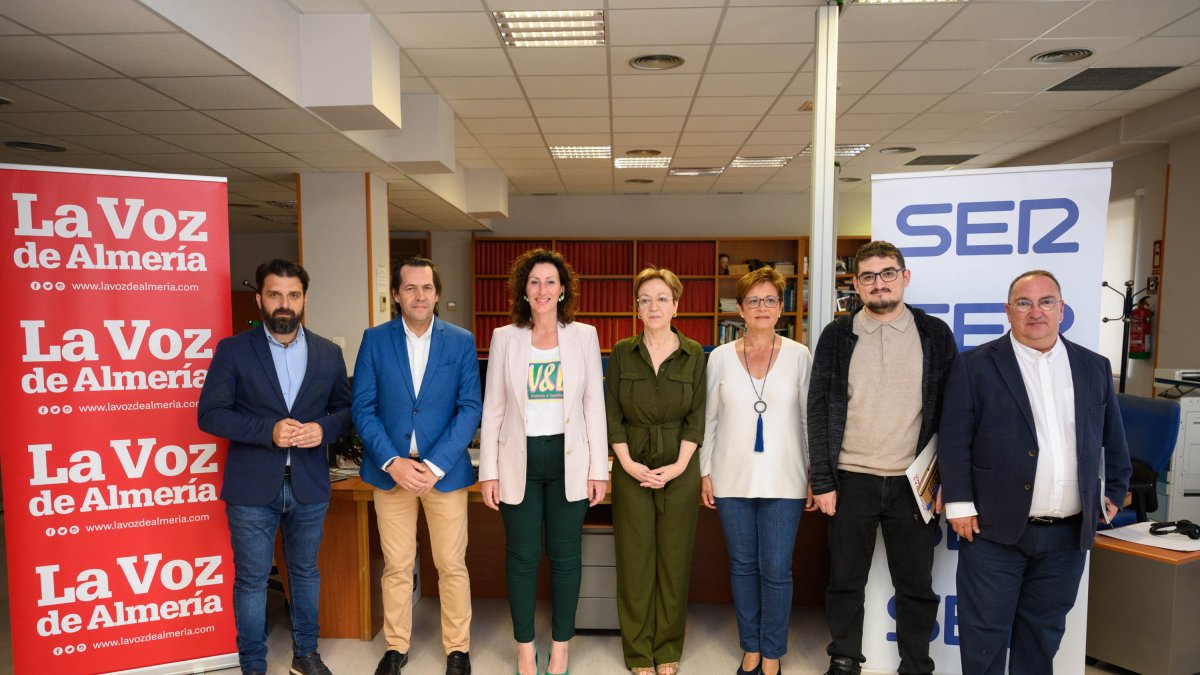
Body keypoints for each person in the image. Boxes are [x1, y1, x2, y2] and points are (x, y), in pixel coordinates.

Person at [939, 270, 1131, 675]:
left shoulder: (1093, 366)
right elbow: (954, 439)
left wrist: (1112, 492)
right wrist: (958, 503)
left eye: (1046, 302)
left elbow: (1112, 439)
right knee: (984, 636)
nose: (1036, 312)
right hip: (993, 530)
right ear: (1008, 311)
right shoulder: (974, 365)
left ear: (1062, 309)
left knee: (1042, 636)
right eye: (1024, 303)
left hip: (1067, 533)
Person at [807, 240, 956, 675]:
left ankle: (916, 665)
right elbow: (818, 408)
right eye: (868, 276)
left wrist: (948, 479)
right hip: (851, 477)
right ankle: (844, 658)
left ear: (905, 277)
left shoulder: (935, 335)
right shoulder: (837, 335)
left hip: (915, 482)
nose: (879, 283)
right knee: (844, 580)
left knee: (916, 585)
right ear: (856, 284)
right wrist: (823, 480)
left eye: (888, 273)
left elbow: (953, 412)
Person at [198, 259, 352, 675]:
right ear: (260, 299)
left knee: (305, 573)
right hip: (252, 486)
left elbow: (345, 411)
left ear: (304, 299)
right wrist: (268, 431)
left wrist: (323, 429)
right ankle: (253, 665)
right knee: (251, 579)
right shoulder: (233, 350)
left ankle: (305, 655)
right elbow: (210, 415)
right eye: (275, 294)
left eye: (293, 295)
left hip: (308, 483)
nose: (284, 303)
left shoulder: (328, 353)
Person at [478, 248, 609, 675]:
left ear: (563, 289)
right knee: (522, 557)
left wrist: (598, 470)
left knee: (566, 556)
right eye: (534, 282)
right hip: (519, 460)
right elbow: (494, 409)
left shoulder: (584, 336)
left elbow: (594, 406)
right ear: (524, 290)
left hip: (570, 460)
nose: (542, 289)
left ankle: (561, 646)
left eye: (550, 281)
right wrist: (489, 472)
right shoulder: (505, 338)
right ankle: (524, 646)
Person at [352, 257, 482, 675]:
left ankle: (457, 649)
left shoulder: (460, 341)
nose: (419, 296)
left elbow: (470, 408)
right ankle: (396, 647)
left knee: (451, 565)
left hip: (444, 474)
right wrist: (392, 462)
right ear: (396, 295)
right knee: (396, 565)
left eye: (426, 288)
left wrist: (435, 465)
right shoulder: (375, 340)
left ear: (437, 293)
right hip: (392, 474)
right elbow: (363, 408)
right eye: (410, 288)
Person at [700, 266, 814, 675]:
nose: (761, 307)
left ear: (781, 308)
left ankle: (772, 652)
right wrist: (705, 471)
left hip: (786, 480)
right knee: (743, 566)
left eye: (769, 300)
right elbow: (709, 419)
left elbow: (808, 419)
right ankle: (750, 646)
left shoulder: (800, 356)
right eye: (753, 300)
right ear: (741, 310)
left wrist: (814, 474)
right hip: (731, 478)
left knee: (777, 569)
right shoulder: (719, 358)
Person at [605, 268, 707, 675]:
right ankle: (636, 651)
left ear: (676, 306)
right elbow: (612, 414)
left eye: (662, 299)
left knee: (674, 560)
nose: (653, 306)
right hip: (631, 467)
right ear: (636, 308)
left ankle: (666, 648)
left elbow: (697, 416)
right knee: (635, 561)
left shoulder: (695, 354)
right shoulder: (621, 352)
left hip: (680, 468)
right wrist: (628, 464)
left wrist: (679, 466)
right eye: (645, 299)